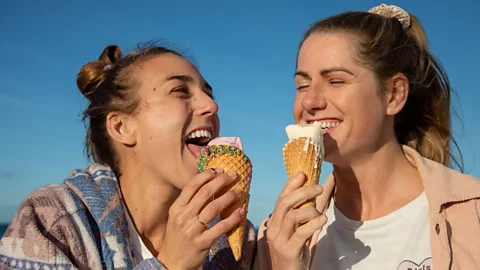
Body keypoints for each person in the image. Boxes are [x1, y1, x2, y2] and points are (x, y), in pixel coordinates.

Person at [255, 4, 480, 270]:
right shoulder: (276, 237)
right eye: (302, 85)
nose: (309, 100)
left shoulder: (472, 213)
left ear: (394, 95)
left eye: (335, 81)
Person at [0, 42, 256, 269]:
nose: (212, 106)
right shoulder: (52, 223)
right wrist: (170, 265)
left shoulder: (237, 238)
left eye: (209, 94)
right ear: (122, 127)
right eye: (179, 90)